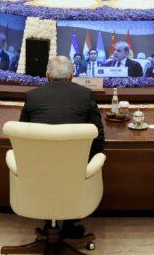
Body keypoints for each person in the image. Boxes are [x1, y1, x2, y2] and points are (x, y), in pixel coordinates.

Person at [18, 55, 105, 238]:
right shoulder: (85, 95)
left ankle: (48, 215)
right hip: (74, 175)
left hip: (37, 175)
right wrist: (89, 164)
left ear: (47, 75)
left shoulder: (32, 96)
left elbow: (23, 134)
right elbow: (98, 136)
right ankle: (68, 220)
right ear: (72, 76)